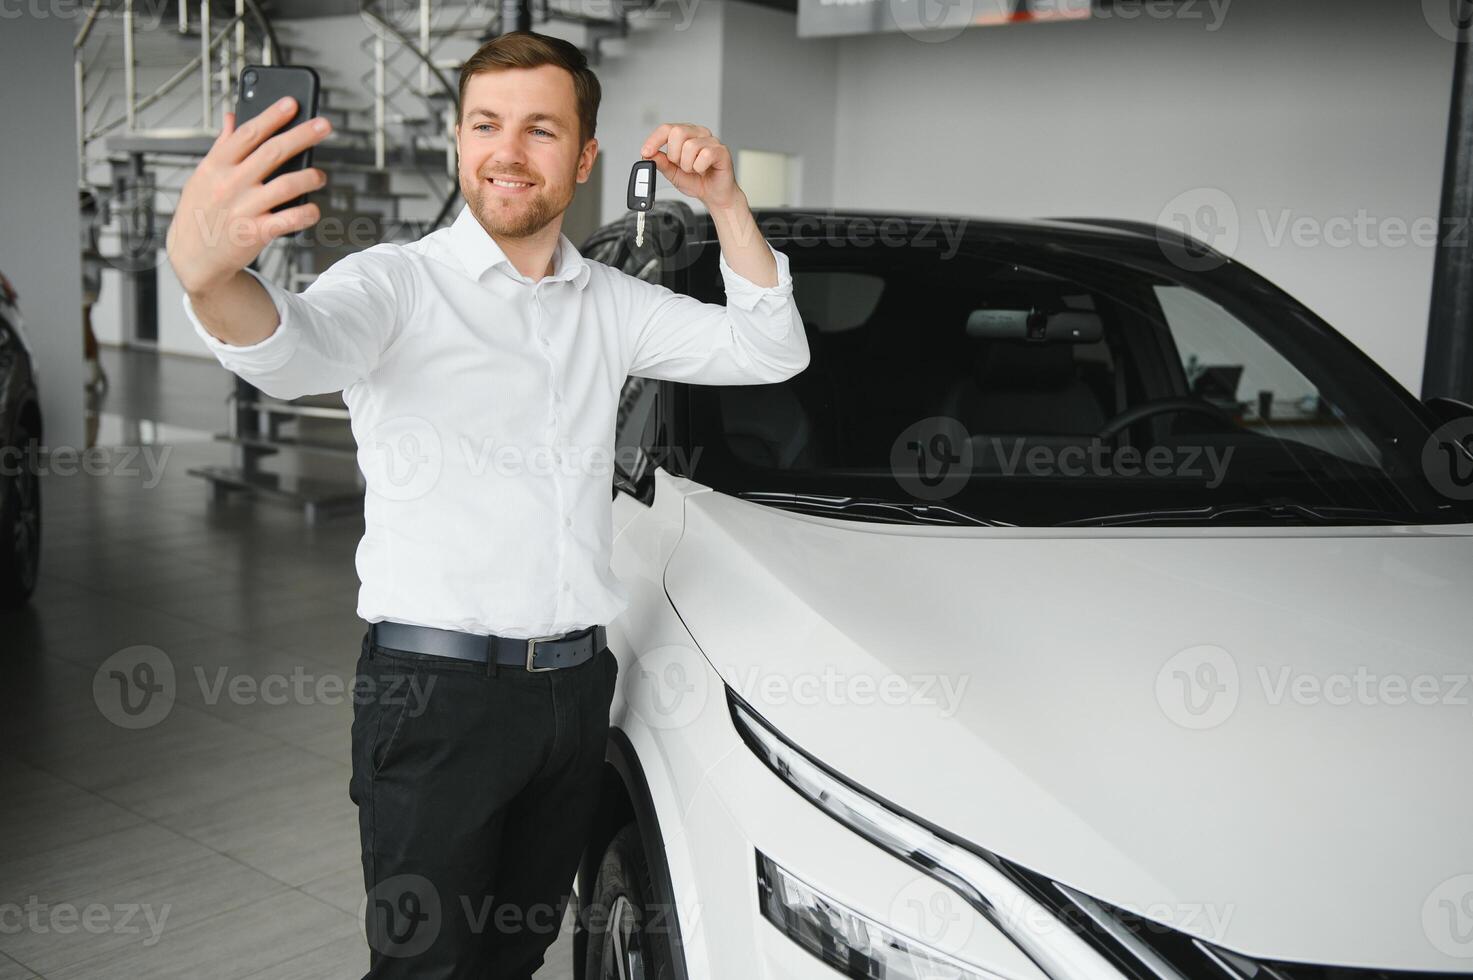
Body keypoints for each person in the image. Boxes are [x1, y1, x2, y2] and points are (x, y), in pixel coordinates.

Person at [164, 30, 808, 980]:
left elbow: (769, 350)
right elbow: (291, 347)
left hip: (575, 694)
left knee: (517, 952)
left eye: (540, 129)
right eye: (485, 124)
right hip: (435, 699)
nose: (508, 151)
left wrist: (725, 203)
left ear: (583, 157)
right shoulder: (395, 284)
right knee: (427, 965)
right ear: (460, 142)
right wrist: (208, 276)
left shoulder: (613, 303)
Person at [80, 188, 109, 394]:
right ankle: (94, 367)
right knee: (86, 321)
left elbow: (85, 248)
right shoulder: (92, 220)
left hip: (86, 277)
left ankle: (92, 370)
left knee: (84, 322)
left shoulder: (86, 221)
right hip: (90, 276)